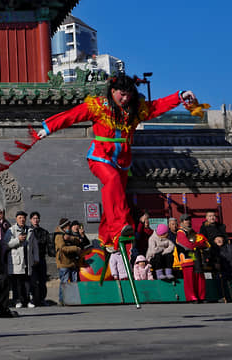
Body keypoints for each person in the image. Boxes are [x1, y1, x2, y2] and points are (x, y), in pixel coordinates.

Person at [37, 74, 199, 250]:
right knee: (112, 181)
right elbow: (73, 115)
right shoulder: (98, 106)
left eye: (128, 94)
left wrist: (179, 96)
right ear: (112, 91)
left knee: (115, 196)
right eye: (121, 94)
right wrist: (48, 127)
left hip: (123, 161)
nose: (125, 98)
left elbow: (157, 106)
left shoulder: (135, 109)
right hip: (100, 156)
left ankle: (106, 239)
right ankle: (120, 227)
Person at [4, 210, 39, 308]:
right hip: (16, 260)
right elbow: (6, 244)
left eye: (23, 218)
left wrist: (36, 258)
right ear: (16, 219)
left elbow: (35, 246)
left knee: (27, 282)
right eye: (20, 218)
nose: (22, 220)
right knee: (17, 283)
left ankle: (28, 300)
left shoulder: (30, 230)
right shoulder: (11, 230)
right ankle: (17, 300)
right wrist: (17, 240)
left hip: (28, 260)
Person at [175, 214, 209, 302]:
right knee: (189, 279)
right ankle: (191, 297)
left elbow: (197, 243)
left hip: (195, 256)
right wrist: (199, 244)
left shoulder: (191, 231)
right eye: (186, 220)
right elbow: (187, 245)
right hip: (187, 257)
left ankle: (201, 296)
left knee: (199, 276)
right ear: (181, 222)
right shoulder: (180, 232)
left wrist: (200, 244)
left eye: (189, 220)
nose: (188, 221)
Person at [54, 217, 81, 306]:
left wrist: (70, 238)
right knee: (64, 282)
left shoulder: (67, 235)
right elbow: (62, 249)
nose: (70, 227)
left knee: (74, 282)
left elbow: (78, 240)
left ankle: (74, 299)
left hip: (72, 262)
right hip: (63, 263)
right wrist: (75, 248)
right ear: (65, 226)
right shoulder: (59, 235)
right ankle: (62, 300)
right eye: (68, 225)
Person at [28, 211, 53, 306]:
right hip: (31, 259)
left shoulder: (43, 231)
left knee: (42, 280)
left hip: (41, 258)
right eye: (34, 218)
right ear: (30, 220)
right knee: (33, 280)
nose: (35, 220)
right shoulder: (28, 231)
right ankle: (34, 299)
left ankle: (42, 299)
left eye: (37, 218)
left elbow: (46, 244)